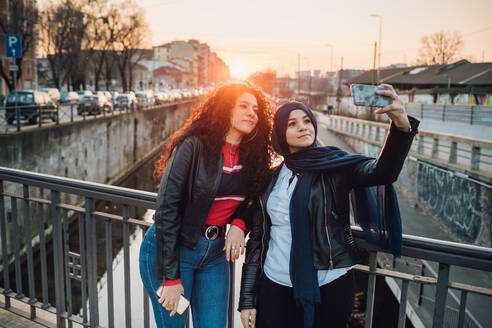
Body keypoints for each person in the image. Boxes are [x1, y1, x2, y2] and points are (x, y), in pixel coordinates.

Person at [239, 84, 419, 328]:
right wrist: (248, 298)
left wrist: (400, 126)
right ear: (280, 133)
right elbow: (258, 241)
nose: (302, 127)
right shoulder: (270, 179)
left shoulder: (335, 167)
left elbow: (382, 172)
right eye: (291, 124)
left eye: (306, 120)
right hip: (274, 286)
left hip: (329, 285)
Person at [139, 82, 274, 328]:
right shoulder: (193, 146)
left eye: (255, 109)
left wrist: (239, 224)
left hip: (214, 256)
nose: (251, 113)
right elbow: (167, 209)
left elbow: (254, 199)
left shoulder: (253, 156)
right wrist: (171, 278)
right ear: (226, 108)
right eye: (243, 106)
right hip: (173, 252)